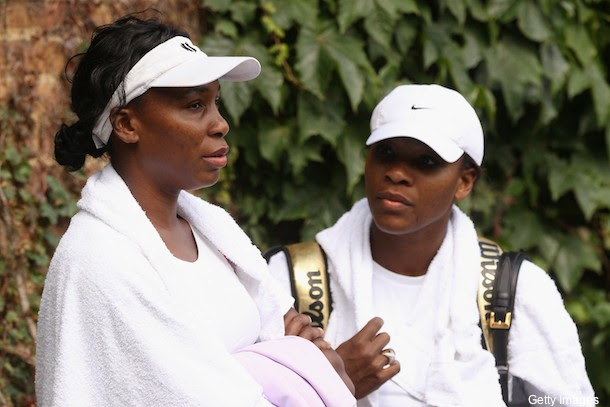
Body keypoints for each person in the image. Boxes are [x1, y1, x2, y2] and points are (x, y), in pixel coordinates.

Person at [35, 15, 355, 407]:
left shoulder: (214, 232)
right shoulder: (100, 261)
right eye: (194, 105)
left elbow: (303, 349)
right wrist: (296, 366)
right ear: (127, 124)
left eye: (215, 102)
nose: (220, 124)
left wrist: (297, 361)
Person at [268, 84, 596, 406]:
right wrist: (331, 382)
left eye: (425, 162)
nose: (397, 173)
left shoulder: (514, 289)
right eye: (386, 153)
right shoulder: (290, 279)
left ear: (464, 181)